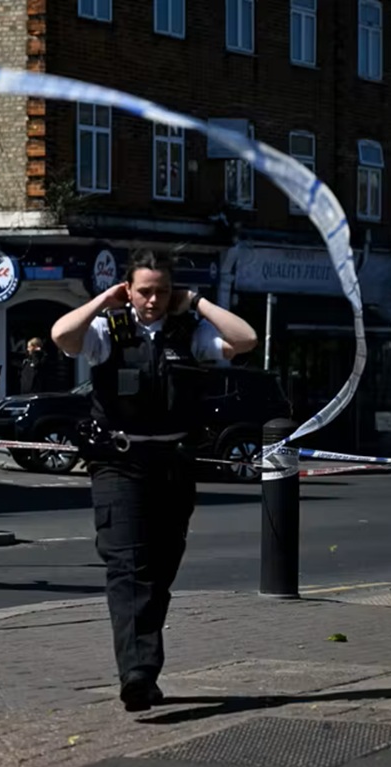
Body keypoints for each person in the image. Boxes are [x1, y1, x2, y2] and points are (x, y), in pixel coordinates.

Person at [51, 249, 257, 712]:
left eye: (162, 291)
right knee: (127, 566)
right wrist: (106, 298)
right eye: (144, 290)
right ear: (130, 289)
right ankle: (137, 673)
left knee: (160, 570)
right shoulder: (109, 329)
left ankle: (144, 668)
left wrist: (197, 302)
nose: (153, 300)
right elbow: (62, 335)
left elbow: (246, 340)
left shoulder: (189, 332)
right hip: (119, 463)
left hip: (173, 463)